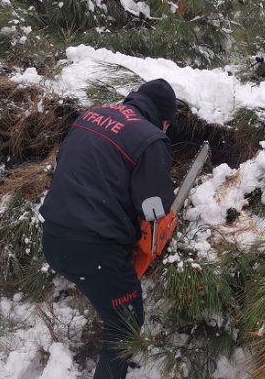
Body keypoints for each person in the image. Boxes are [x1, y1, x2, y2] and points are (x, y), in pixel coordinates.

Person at [40, 79, 177, 378]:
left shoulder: (91, 116)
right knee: (125, 325)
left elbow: (69, 165)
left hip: (53, 237)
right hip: (93, 250)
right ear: (164, 119)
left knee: (111, 300)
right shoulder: (151, 138)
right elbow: (153, 207)